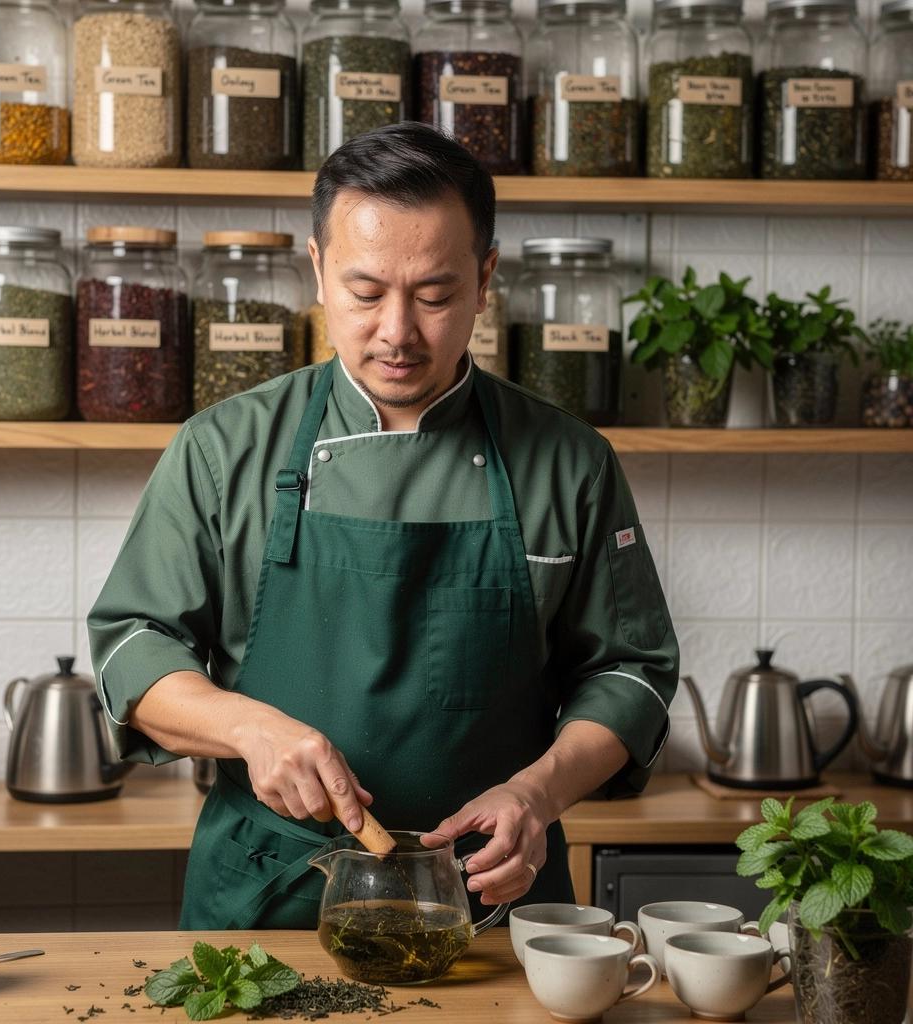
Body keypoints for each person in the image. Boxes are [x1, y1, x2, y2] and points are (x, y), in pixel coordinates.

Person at [88, 122, 679, 930]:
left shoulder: (569, 463)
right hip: (271, 901)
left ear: (485, 278)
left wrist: (536, 794)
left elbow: (631, 674)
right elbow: (131, 650)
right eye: (366, 293)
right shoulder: (222, 451)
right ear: (319, 271)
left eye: (435, 295)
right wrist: (249, 728)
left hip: (491, 904)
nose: (398, 332)